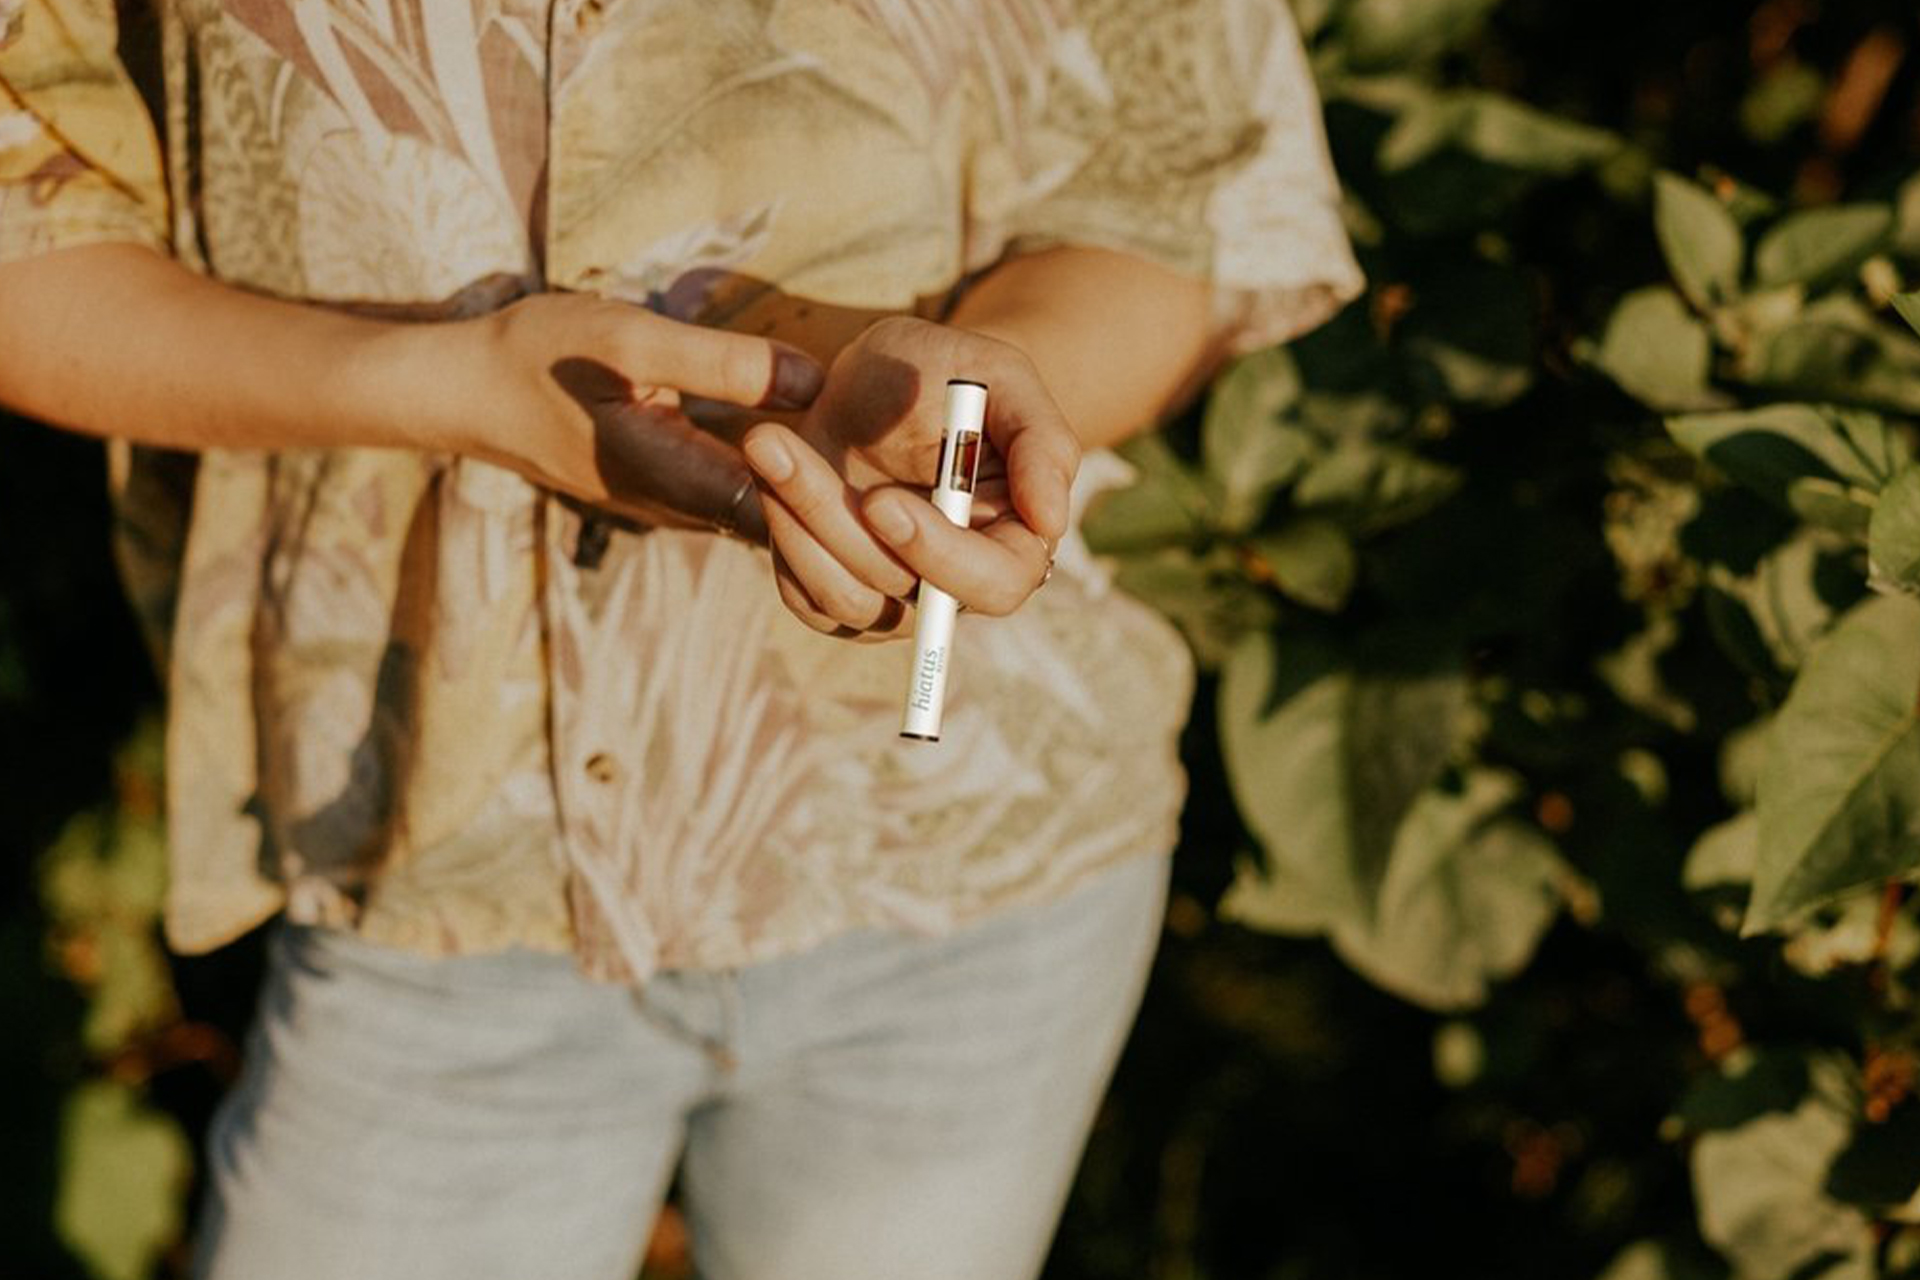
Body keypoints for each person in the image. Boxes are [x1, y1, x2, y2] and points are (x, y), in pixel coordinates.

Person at [0, 0, 1361, 1276]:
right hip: (435, 862)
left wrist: (958, 402)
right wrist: (446, 387)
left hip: (966, 862)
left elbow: (1175, 191)